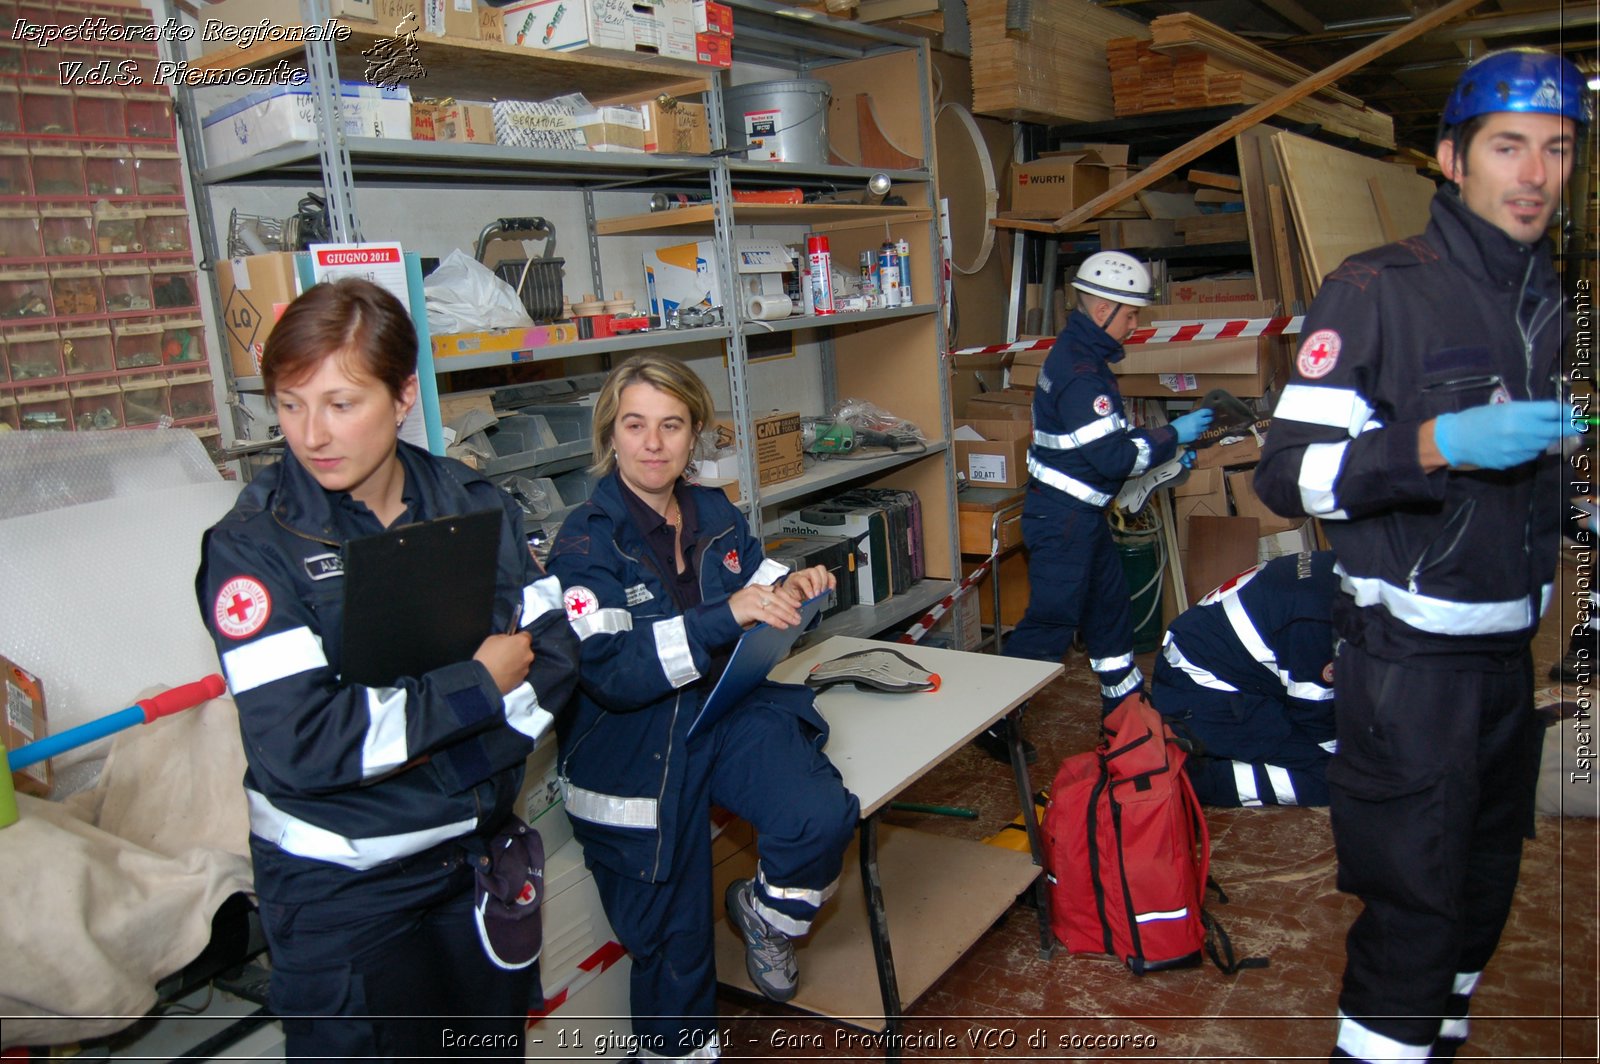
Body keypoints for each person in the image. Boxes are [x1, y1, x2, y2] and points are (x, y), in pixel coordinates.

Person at [1253, 48, 1589, 1062]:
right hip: (1408, 663)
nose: (1532, 173)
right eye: (1506, 146)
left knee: (1481, 894)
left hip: (1504, 658)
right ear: (1452, 158)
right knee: (1414, 912)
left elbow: (1540, 457)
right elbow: (1285, 475)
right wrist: (1434, 445)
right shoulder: (1375, 290)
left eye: (1557, 149)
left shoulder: (1546, 297)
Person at [195, 279, 579, 1058]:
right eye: (291, 403)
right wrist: (475, 688)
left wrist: (412, 740)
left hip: (473, 866)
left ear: (404, 396)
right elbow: (305, 746)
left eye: (342, 403)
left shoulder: (472, 502)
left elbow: (556, 657)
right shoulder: (252, 548)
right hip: (344, 895)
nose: (311, 433)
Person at [544, 353, 859, 1060]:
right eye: (635, 425)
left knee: (821, 816)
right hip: (636, 748)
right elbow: (615, 673)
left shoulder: (714, 510)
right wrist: (730, 616)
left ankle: (766, 913)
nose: (652, 443)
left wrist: (791, 583)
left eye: (671, 425)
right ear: (611, 434)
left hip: (722, 709)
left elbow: (751, 579)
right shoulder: (584, 543)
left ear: (695, 435)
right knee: (676, 947)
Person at [986, 251, 1214, 762]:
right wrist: (1168, 436)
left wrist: (1163, 448)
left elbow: (1101, 444)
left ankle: (1124, 709)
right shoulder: (1083, 374)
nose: (1135, 326)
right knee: (1051, 623)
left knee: (1110, 614)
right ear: (1103, 307)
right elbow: (1112, 458)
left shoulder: (1081, 358)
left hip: (1077, 516)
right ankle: (996, 720)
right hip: (1063, 520)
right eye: (1131, 314)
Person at [1151, 550, 1338, 808]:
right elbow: (1316, 719)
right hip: (1200, 693)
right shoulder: (1317, 615)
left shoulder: (1332, 567)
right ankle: (1188, 780)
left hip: (1212, 667)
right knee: (1337, 779)